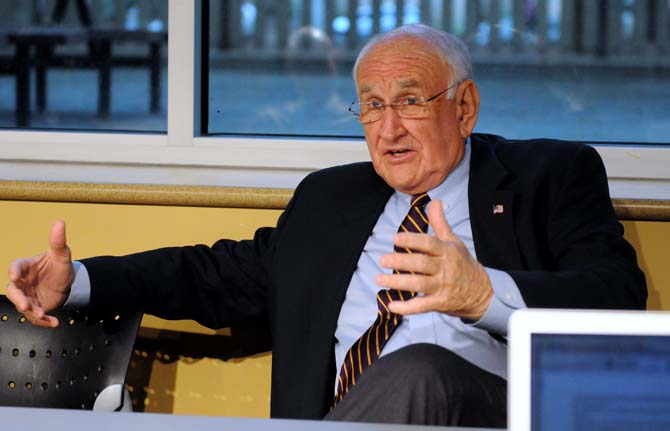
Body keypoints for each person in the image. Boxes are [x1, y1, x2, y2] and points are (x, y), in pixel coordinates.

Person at [6, 24, 646, 427]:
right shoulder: (330, 200)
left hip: (489, 411)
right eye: (371, 107)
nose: (387, 128)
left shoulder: (549, 177)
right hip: (343, 415)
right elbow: (210, 273)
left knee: (421, 368)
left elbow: (615, 298)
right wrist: (78, 280)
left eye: (409, 101)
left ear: (465, 106)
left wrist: (484, 295)